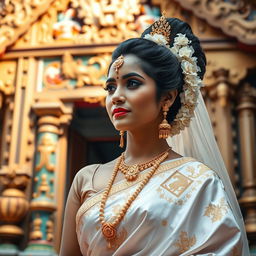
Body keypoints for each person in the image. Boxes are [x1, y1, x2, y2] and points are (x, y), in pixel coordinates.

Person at [60, 15, 250, 256]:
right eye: (110, 87)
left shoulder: (199, 180)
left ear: (167, 98)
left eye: (132, 83)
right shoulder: (86, 179)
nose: (116, 96)